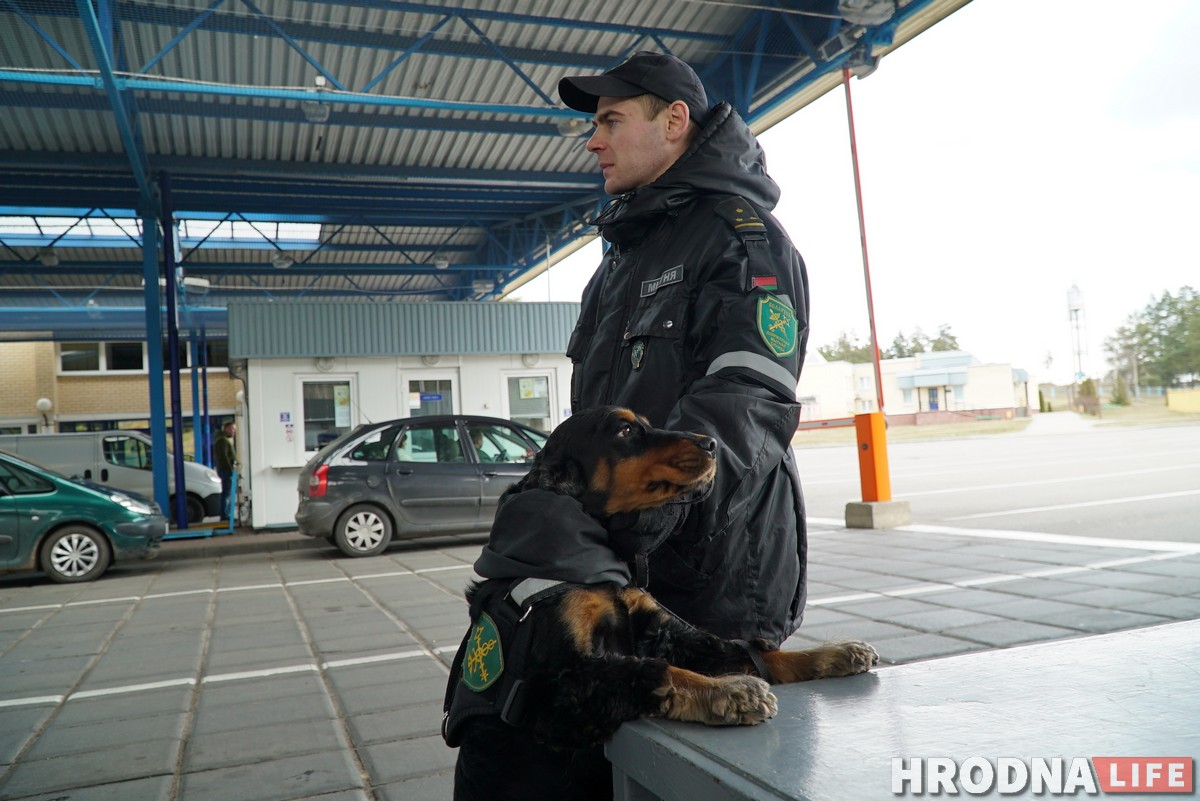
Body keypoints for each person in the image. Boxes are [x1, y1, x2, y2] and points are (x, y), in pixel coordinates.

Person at [557, 51, 811, 645]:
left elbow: (749, 398)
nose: (593, 142)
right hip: (624, 562)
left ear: (674, 122)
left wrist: (652, 507)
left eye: (610, 121)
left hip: (711, 572)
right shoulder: (624, 259)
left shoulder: (740, 239)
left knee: (712, 729)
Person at [214, 421, 237, 521]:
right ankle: (225, 516)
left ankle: (226, 515)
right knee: (227, 494)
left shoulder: (222, 440)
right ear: (226, 428)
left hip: (226, 470)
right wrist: (231, 470)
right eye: (232, 429)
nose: (234, 431)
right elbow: (223, 457)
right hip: (226, 471)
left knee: (227, 493)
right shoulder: (222, 440)